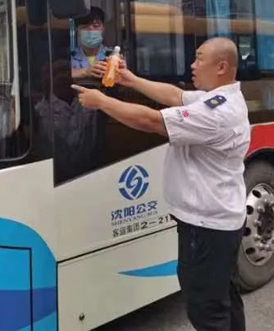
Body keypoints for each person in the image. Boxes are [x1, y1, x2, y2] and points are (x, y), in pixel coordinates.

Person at [72, 37, 250, 331]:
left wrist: (101, 102)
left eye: (199, 58)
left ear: (221, 67)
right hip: (219, 221)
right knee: (224, 297)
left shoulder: (217, 113)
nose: (192, 65)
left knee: (206, 309)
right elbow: (175, 95)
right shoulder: (220, 98)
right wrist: (131, 79)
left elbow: (151, 121)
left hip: (206, 227)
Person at [71, 7, 111, 80]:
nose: (91, 29)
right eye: (85, 27)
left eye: (96, 26)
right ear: (78, 31)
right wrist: (85, 71)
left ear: (103, 28)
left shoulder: (113, 55)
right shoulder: (69, 57)